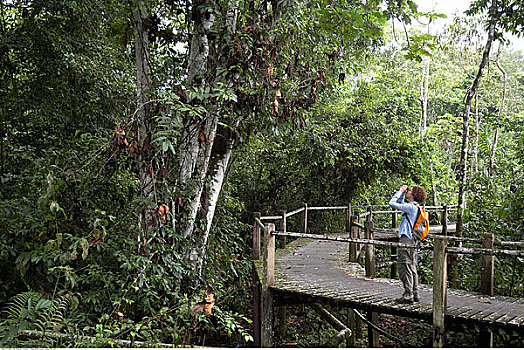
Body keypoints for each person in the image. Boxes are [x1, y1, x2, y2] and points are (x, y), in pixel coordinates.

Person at [389, 184, 427, 304]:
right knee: (412, 266)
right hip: (411, 240)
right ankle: (415, 293)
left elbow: (392, 203)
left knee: (405, 265)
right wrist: (402, 194)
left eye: (410, 191)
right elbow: (400, 204)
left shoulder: (411, 208)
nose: (408, 191)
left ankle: (408, 295)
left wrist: (399, 191)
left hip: (407, 240)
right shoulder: (413, 207)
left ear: (414, 195)